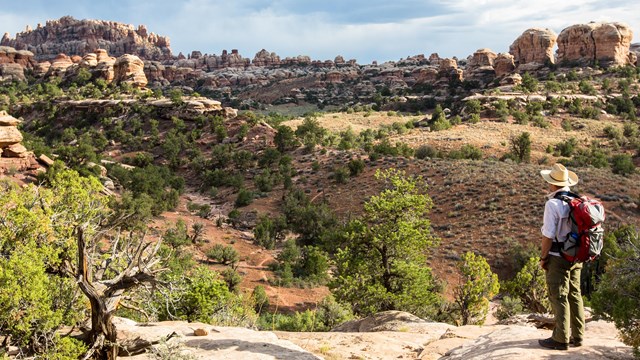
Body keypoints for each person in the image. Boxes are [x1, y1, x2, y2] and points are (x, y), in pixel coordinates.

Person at [538, 163, 585, 350]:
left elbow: (548, 235)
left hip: (558, 256)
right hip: (577, 255)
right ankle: (578, 336)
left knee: (558, 296)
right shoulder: (577, 201)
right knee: (575, 294)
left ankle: (560, 339)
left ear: (553, 184)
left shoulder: (553, 204)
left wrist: (543, 258)